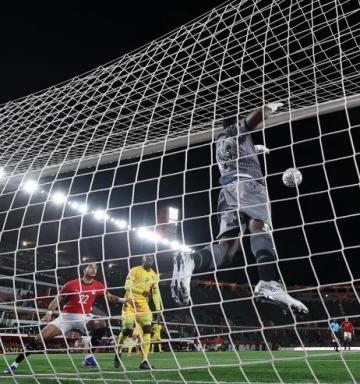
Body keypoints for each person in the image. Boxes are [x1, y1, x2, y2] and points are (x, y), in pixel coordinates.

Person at [173, 102, 308, 314]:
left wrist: (255, 149)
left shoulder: (220, 140)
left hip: (227, 192)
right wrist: (270, 107)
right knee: (259, 226)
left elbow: (236, 151)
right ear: (235, 121)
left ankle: (192, 260)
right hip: (249, 186)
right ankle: (268, 281)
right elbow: (254, 119)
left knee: (228, 250)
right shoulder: (236, 129)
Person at [3, 263, 128, 374]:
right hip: (66, 317)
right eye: (90, 267)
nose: (94, 269)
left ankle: (89, 356)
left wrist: (124, 300)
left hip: (83, 318)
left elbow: (110, 297)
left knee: (101, 323)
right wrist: (49, 312)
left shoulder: (99, 285)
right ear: (84, 269)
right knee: (39, 339)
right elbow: (57, 299)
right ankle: (14, 365)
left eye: (96, 268)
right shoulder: (71, 284)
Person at [114, 255, 162, 370]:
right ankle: (118, 351)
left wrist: (158, 309)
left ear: (153, 261)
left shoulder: (154, 275)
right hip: (130, 303)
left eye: (150, 259)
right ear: (142, 260)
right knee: (127, 330)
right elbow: (127, 286)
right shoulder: (134, 270)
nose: (148, 261)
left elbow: (155, 293)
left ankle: (144, 361)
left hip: (143, 306)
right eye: (146, 259)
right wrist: (142, 292)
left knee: (147, 330)